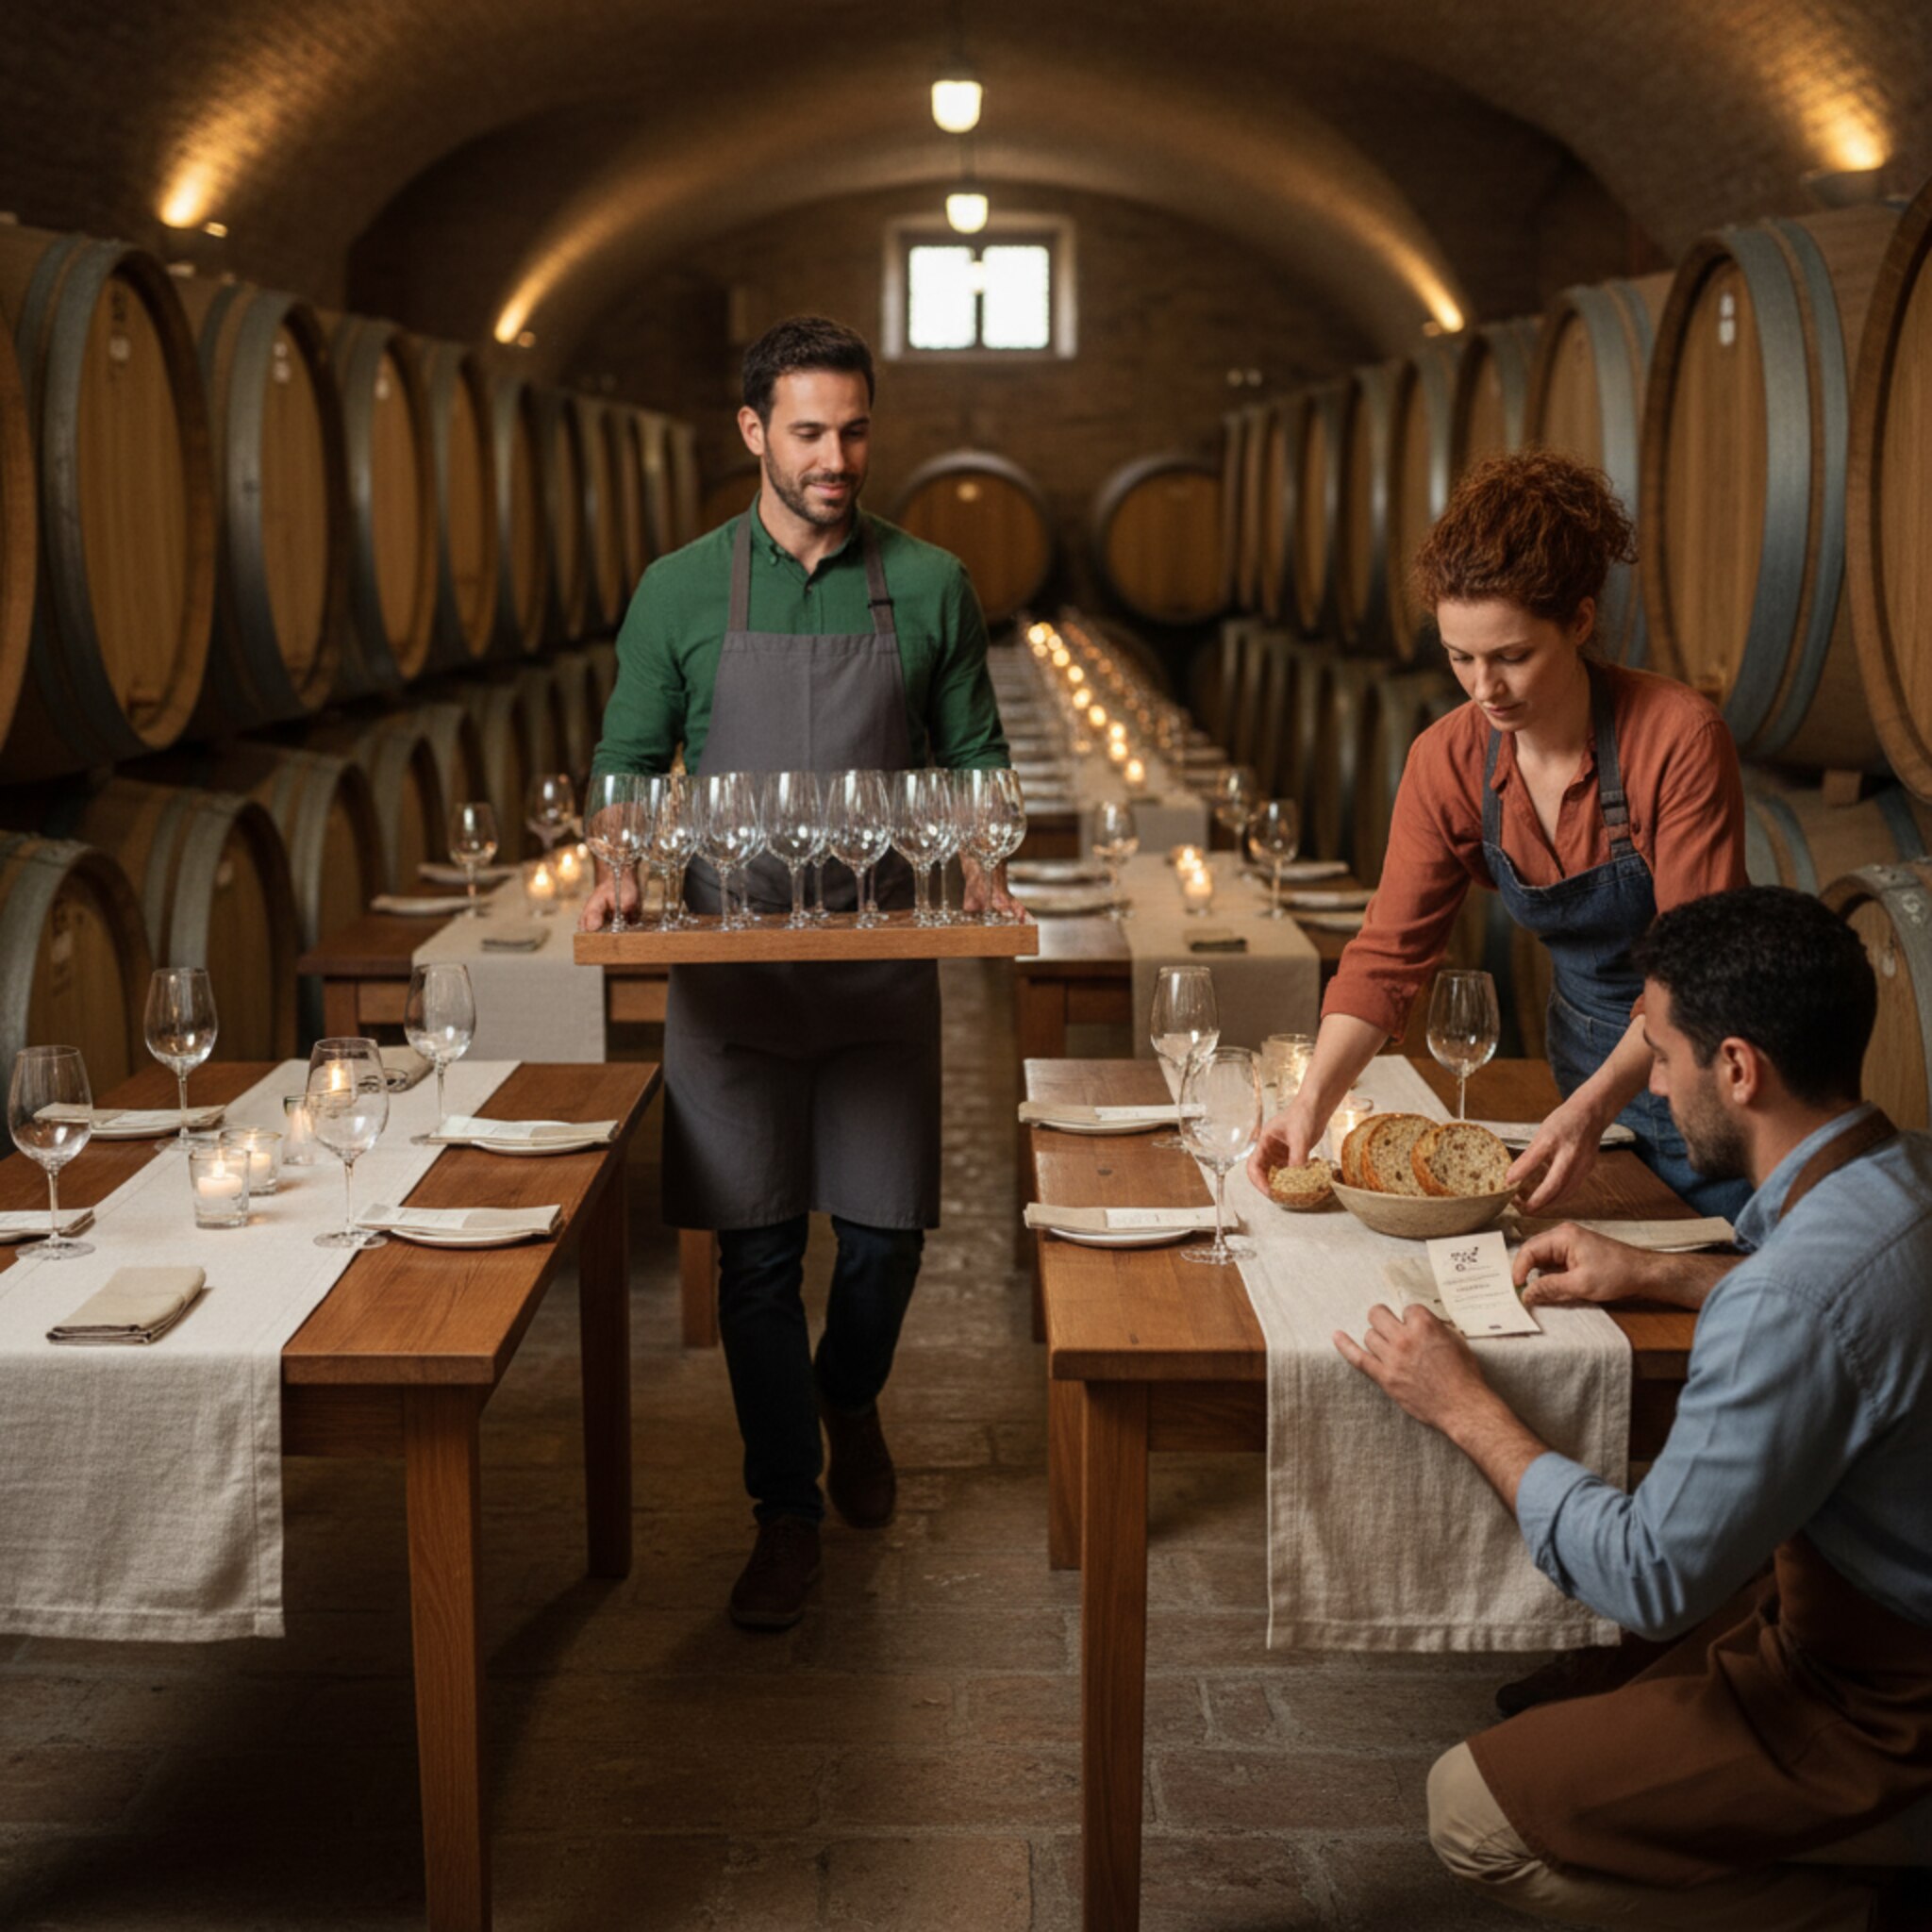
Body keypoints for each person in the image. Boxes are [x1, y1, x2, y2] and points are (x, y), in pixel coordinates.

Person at [1335, 887, 1932, 1930]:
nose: (1649, 1083)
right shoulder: (1907, 1169)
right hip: (1872, 1622)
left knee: (1468, 1809)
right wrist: (1670, 1279)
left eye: (1658, 1055)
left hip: (1883, 1708)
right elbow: (1854, 1316)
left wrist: (1463, 1404)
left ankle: (1852, 1909)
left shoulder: (1784, 1300)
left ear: (1737, 1067)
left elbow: (1645, 1576)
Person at [581, 315, 1018, 1629]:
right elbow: (625, 762)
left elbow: (974, 756)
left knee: (885, 1240)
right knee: (758, 1260)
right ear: (755, 433)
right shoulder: (678, 588)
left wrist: (986, 858)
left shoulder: (931, 582)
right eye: (812, 432)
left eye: (857, 429)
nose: (838, 457)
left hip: (882, 960)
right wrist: (618, 861)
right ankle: (785, 1511)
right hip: (731, 966)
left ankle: (850, 1396)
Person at [1248, 450, 1750, 1220]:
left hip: (1706, 1079)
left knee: (1722, 1279)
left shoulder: (1676, 738)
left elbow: (1695, 968)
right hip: (1583, 1069)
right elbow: (1386, 959)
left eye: (1512, 656)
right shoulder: (1446, 759)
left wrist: (1591, 1112)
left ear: (1580, 621)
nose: (1486, 689)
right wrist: (1310, 1104)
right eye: (1460, 657)